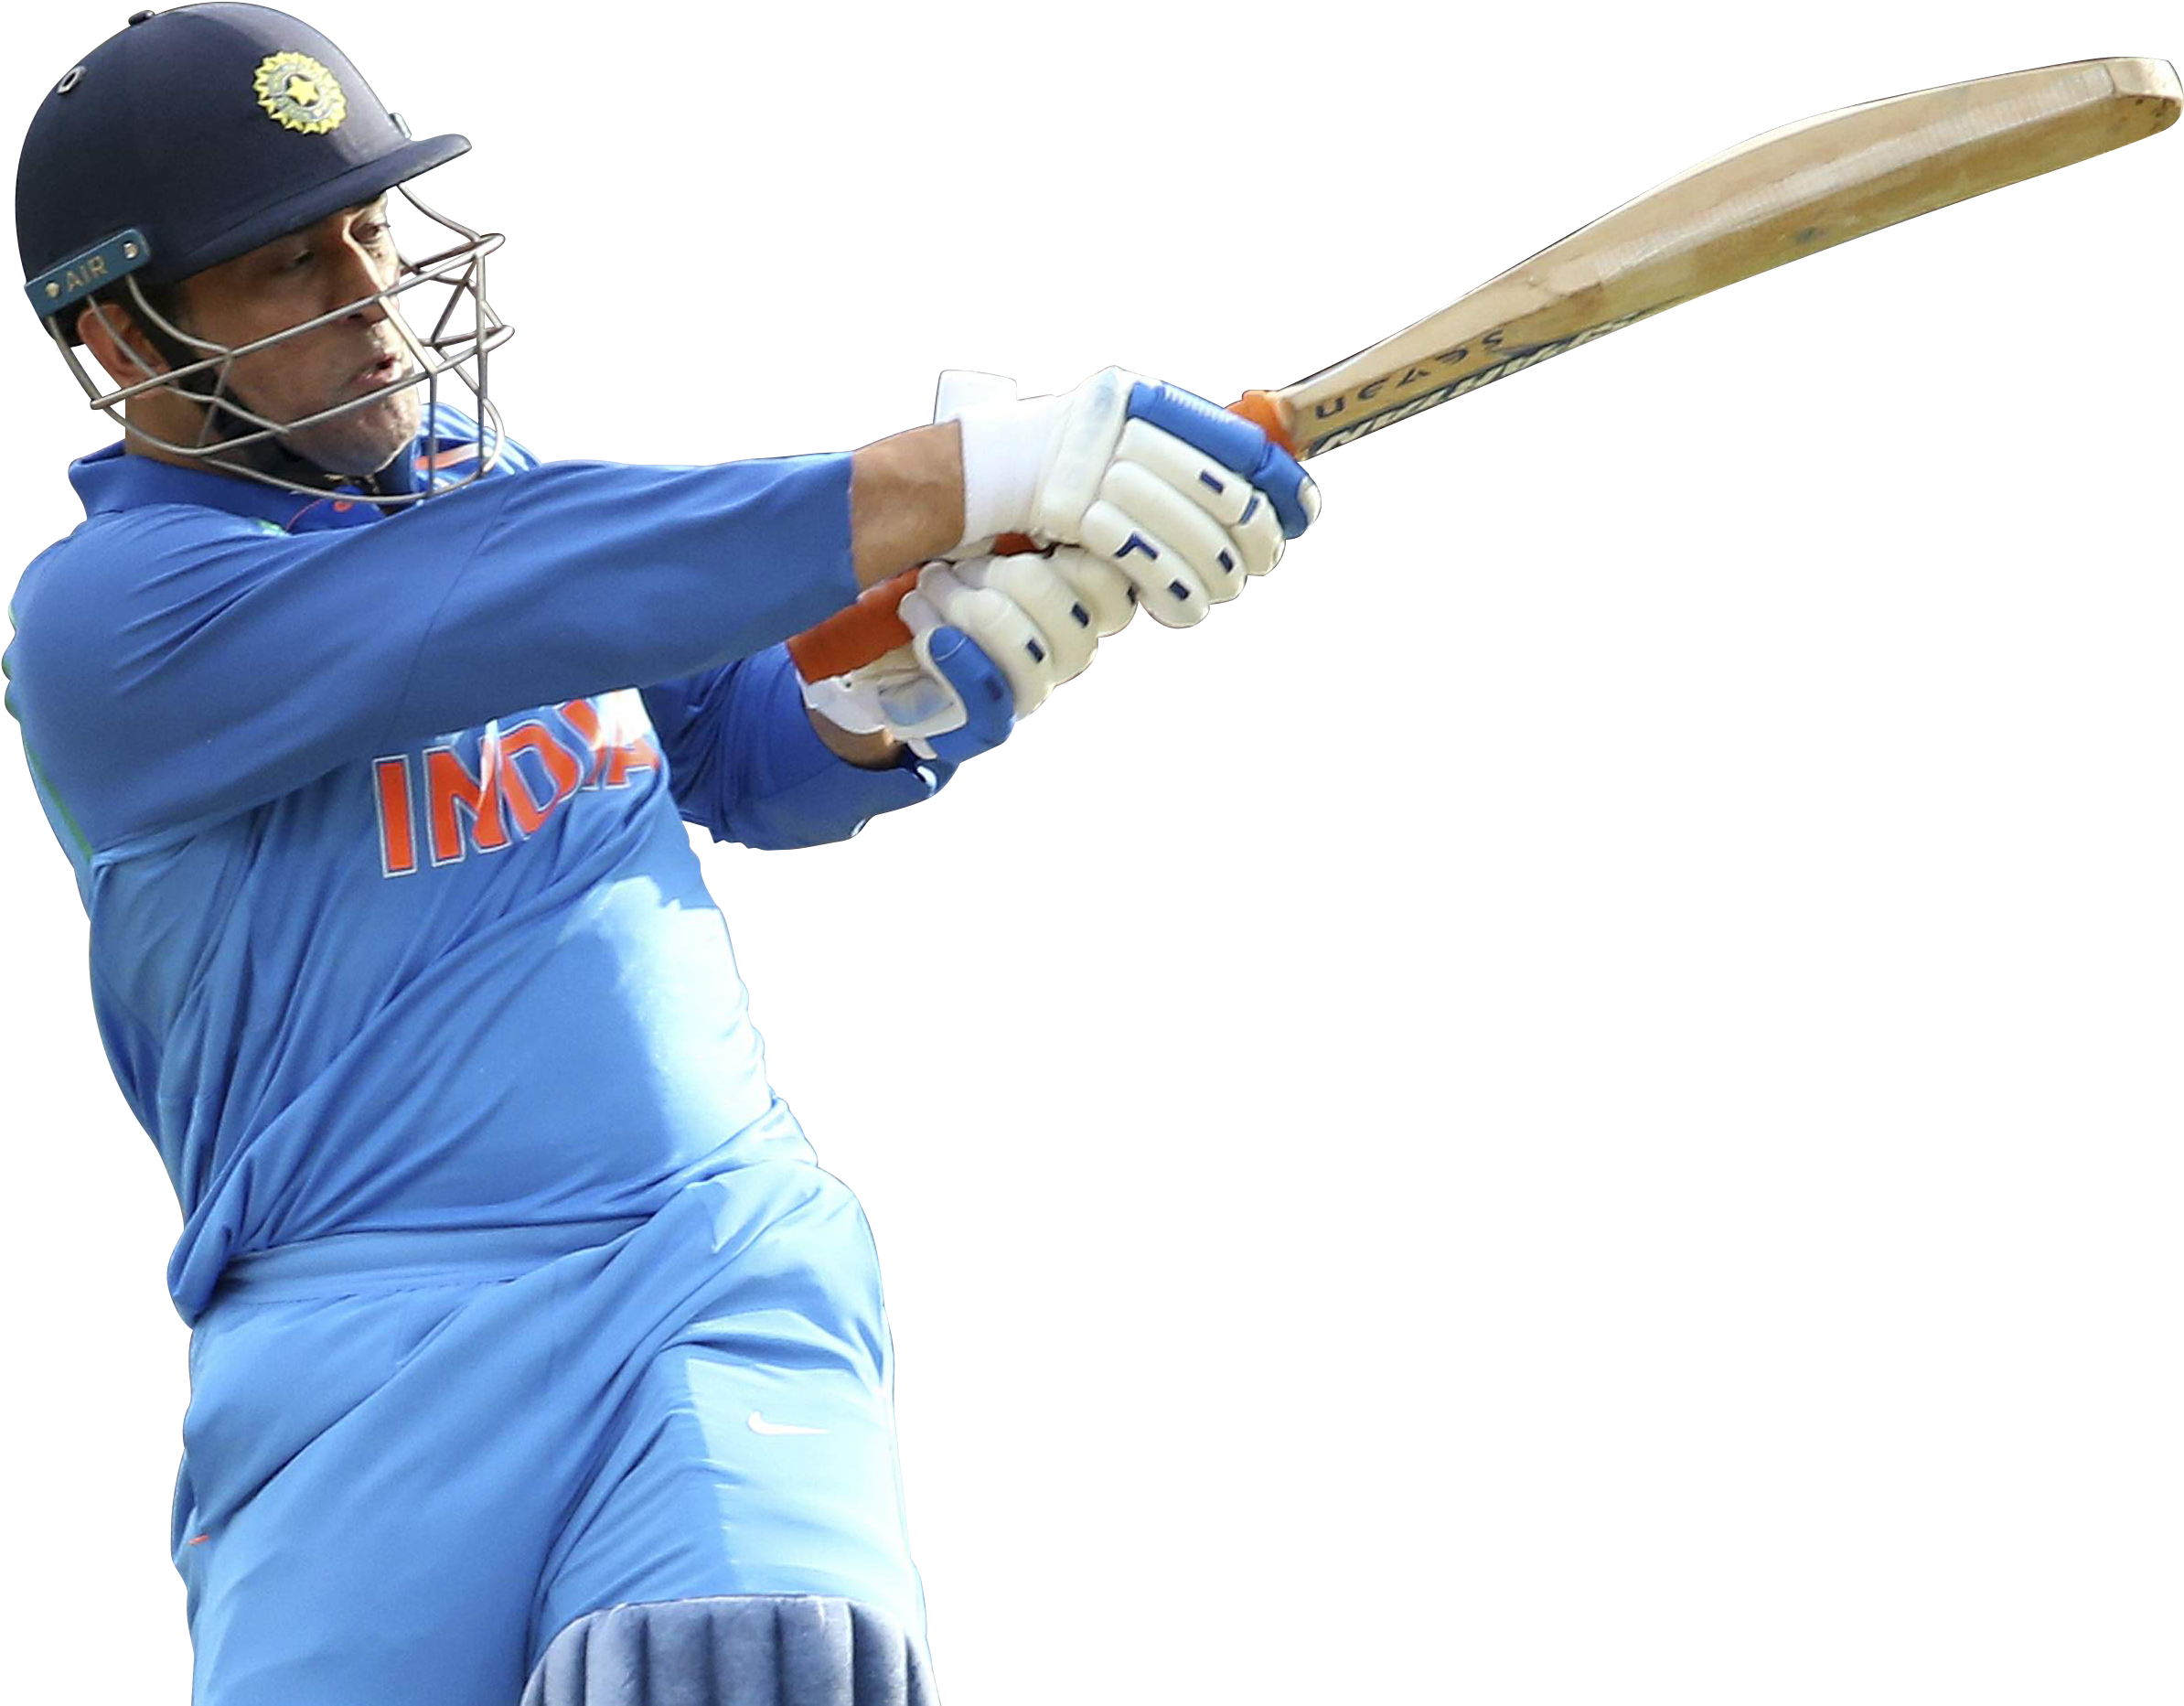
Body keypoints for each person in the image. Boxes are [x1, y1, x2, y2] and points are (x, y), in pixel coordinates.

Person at [8, 6, 1319, 1703]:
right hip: (365, 1363)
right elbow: (550, 580)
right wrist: (978, 468)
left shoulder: (477, 479)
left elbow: (741, 757)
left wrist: (916, 678)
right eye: (287, 267)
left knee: (744, 1667)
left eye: (372, 228)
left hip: (708, 1253)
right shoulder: (109, 624)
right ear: (122, 338)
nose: (376, 293)